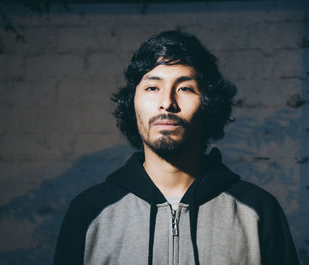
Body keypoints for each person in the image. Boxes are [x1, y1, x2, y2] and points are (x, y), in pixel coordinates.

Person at [53, 30, 299, 265]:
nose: (167, 103)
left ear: (208, 105)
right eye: (152, 87)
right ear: (133, 103)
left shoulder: (258, 211)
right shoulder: (89, 211)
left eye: (184, 88)